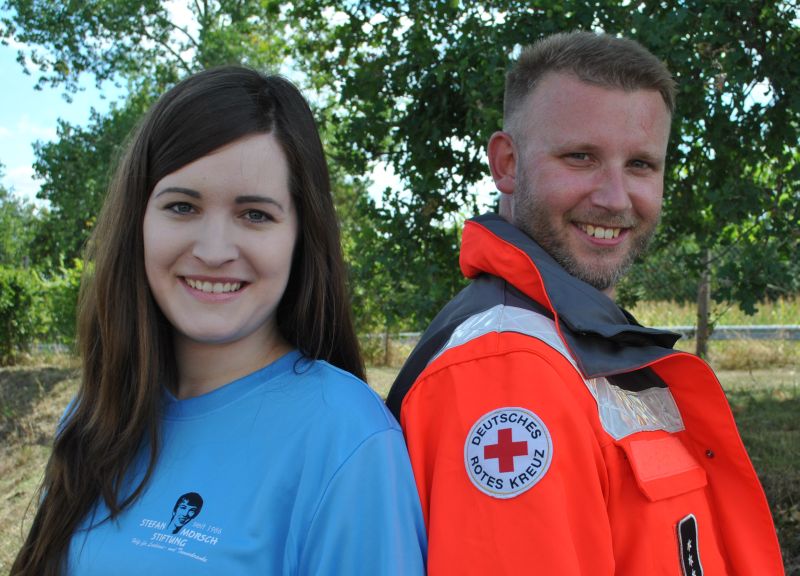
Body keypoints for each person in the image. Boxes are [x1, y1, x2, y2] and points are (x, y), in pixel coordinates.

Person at [387, 31, 783, 574]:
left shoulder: (582, 339)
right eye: (580, 157)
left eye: (641, 165)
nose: (615, 198)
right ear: (506, 163)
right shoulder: (506, 369)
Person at [12, 66, 426, 576]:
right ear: (139, 221)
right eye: (182, 206)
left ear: (301, 234)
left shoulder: (347, 440)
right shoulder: (95, 412)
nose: (212, 251)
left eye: (254, 215)